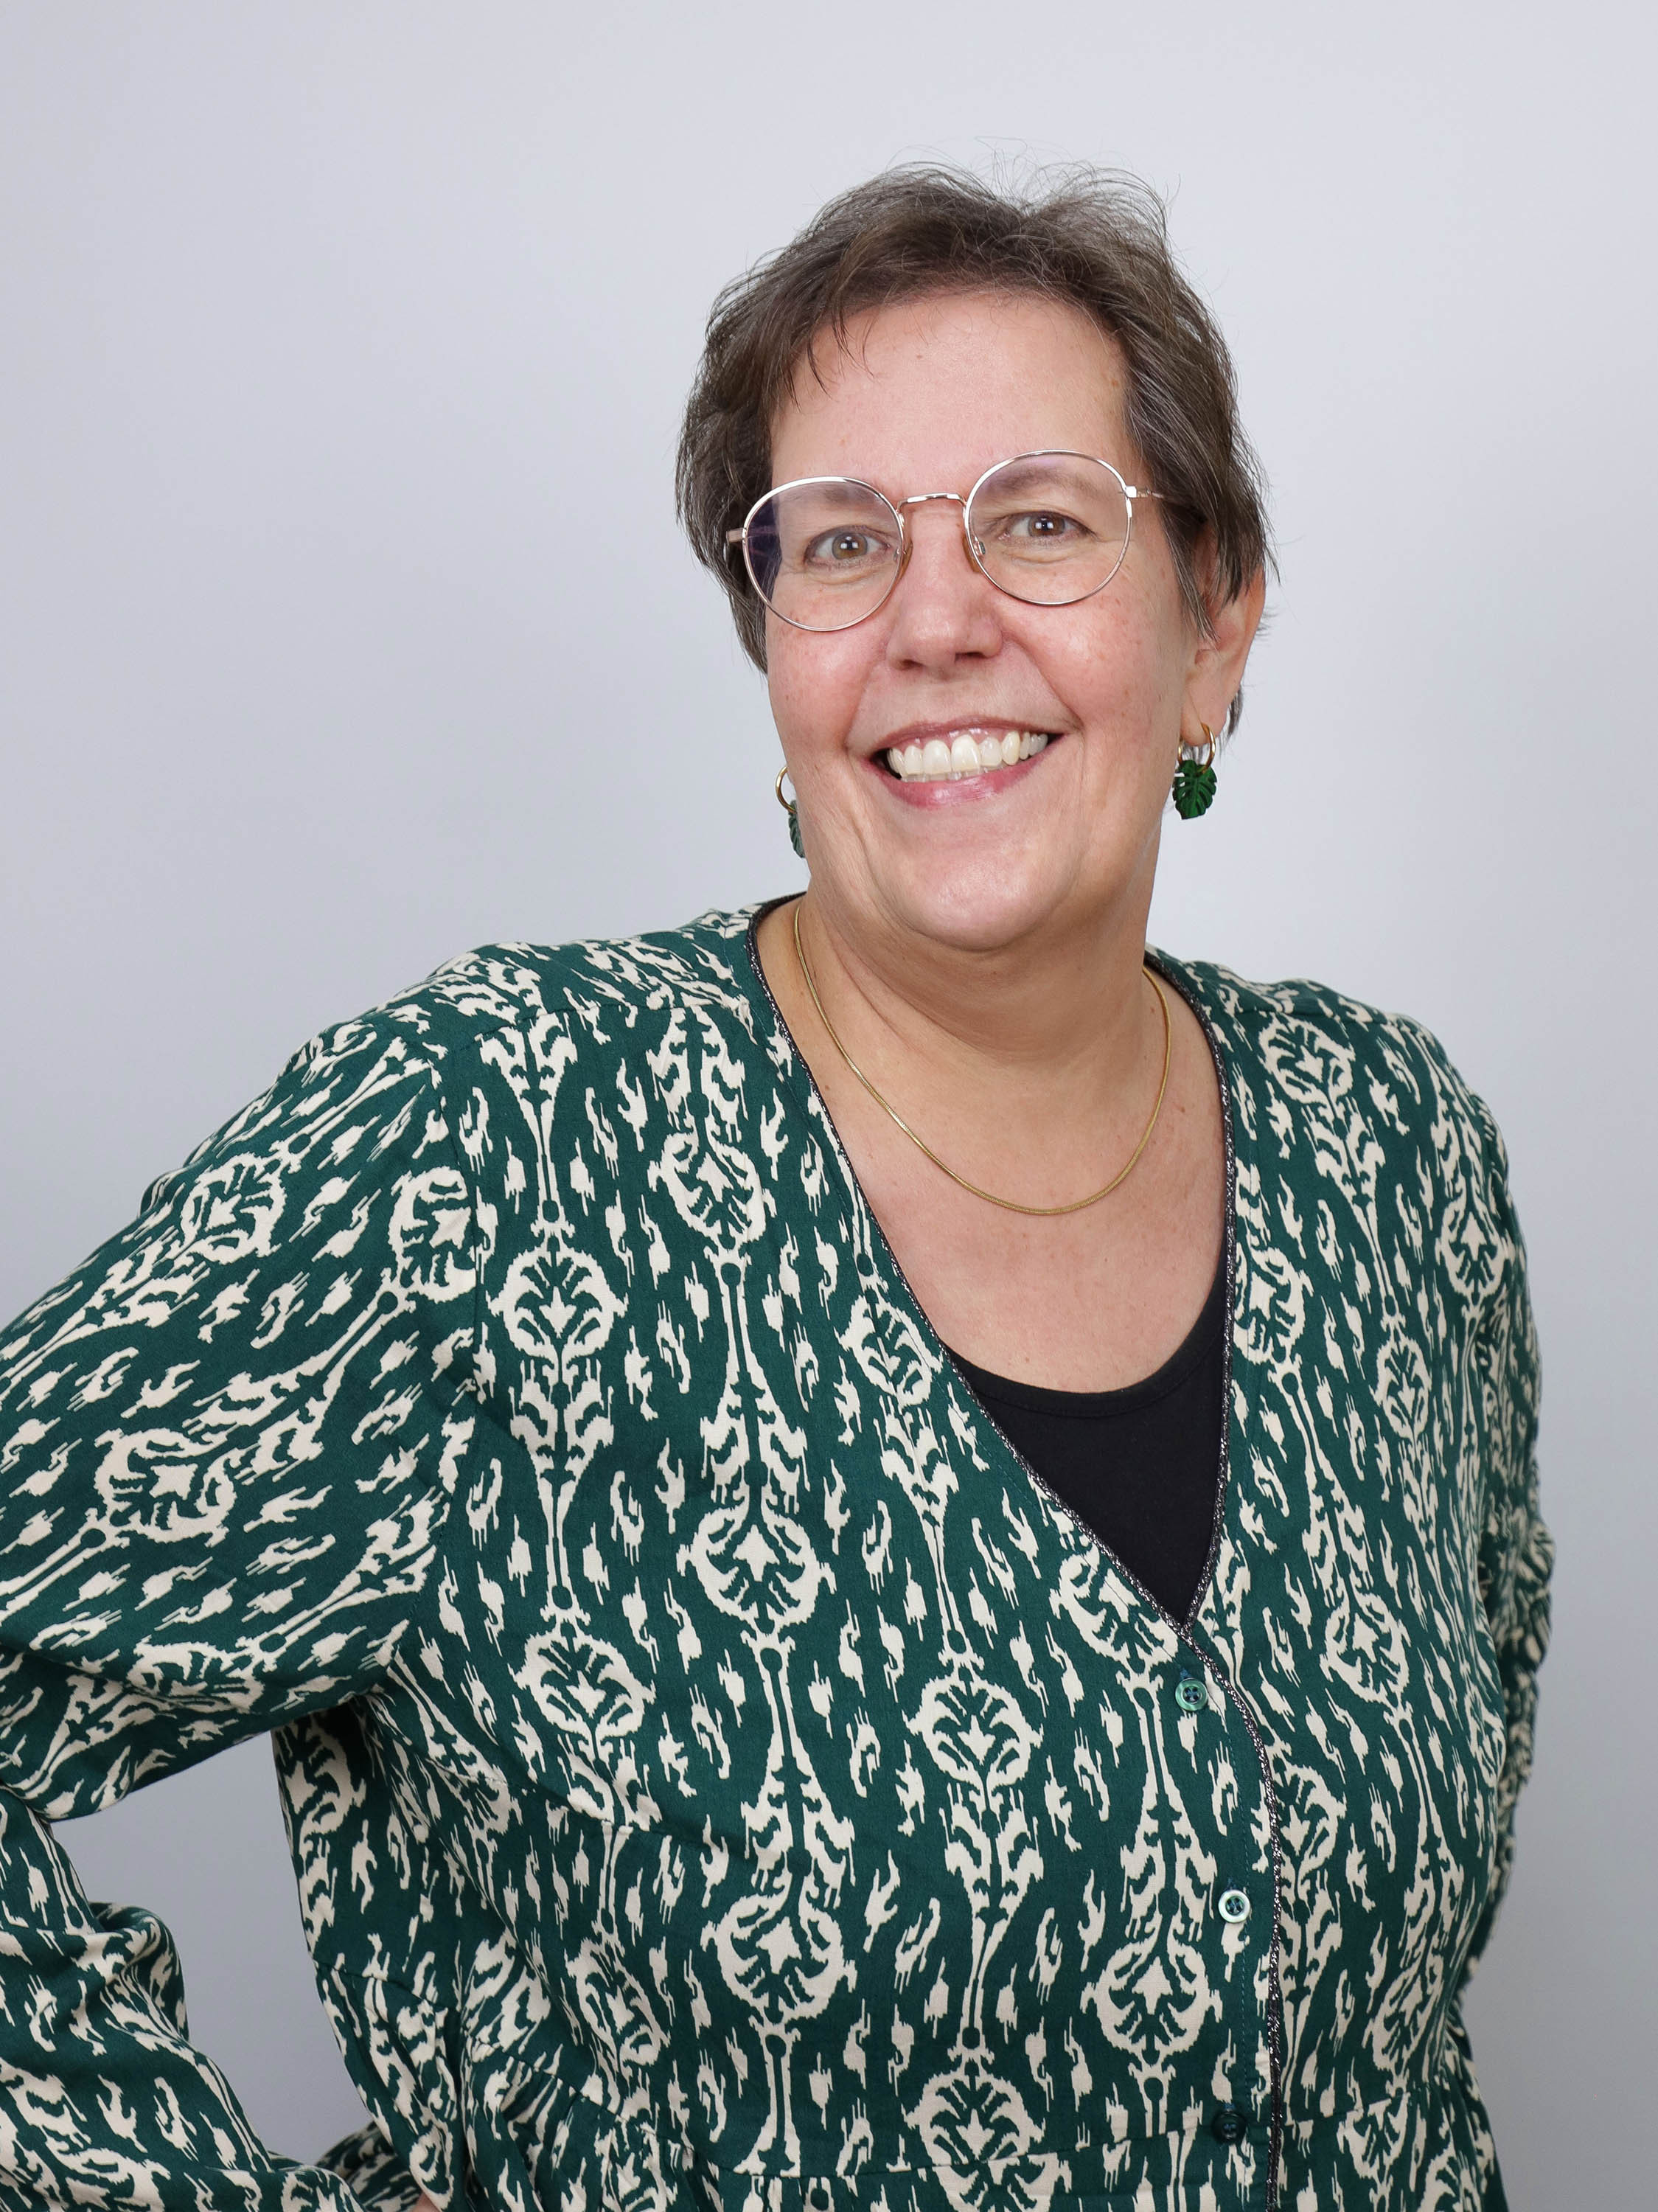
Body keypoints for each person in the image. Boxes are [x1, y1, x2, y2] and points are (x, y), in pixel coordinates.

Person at [0, 167, 1549, 2212]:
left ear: (1214, 619)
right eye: (840, 542)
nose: (934, 619)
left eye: (1041, 520)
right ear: (774, 656)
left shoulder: (1391, 1150)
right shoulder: (495, 1142)